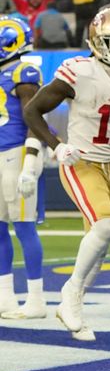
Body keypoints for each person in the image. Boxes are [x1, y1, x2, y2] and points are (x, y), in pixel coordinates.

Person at [23, 7, 110, 341]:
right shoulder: (79, 71)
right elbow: (32, 110)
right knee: (105, 225)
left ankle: (75, 306)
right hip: (82, 161)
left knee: (101, 244)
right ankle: (70, 294)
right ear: (98, 41)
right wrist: (56, 146)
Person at [0, 17, 46, 321]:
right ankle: (5, 297)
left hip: (18, 153)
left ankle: (36, 299)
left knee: (24, 226)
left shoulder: (23, 72)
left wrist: (31, 161)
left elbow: (34, 118)